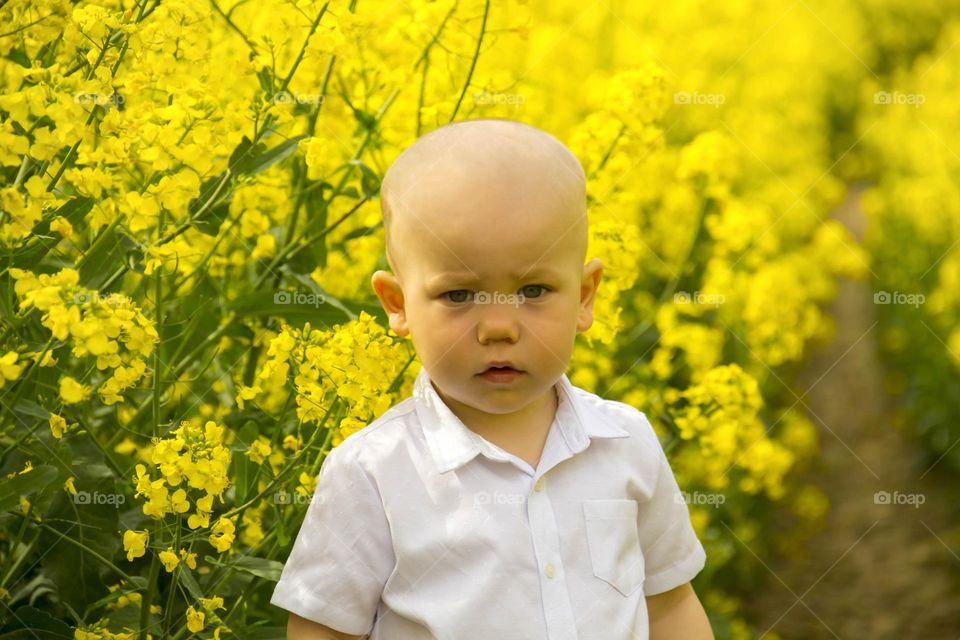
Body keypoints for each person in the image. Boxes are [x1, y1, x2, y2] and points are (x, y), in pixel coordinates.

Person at [271, 118, 713, 639]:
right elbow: (322, 631)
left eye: (533, 290)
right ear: (398, 304)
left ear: (585, 296)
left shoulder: (625, 441)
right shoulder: (371, 473)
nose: (499, 327)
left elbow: (669, 606)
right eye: (459, 295)